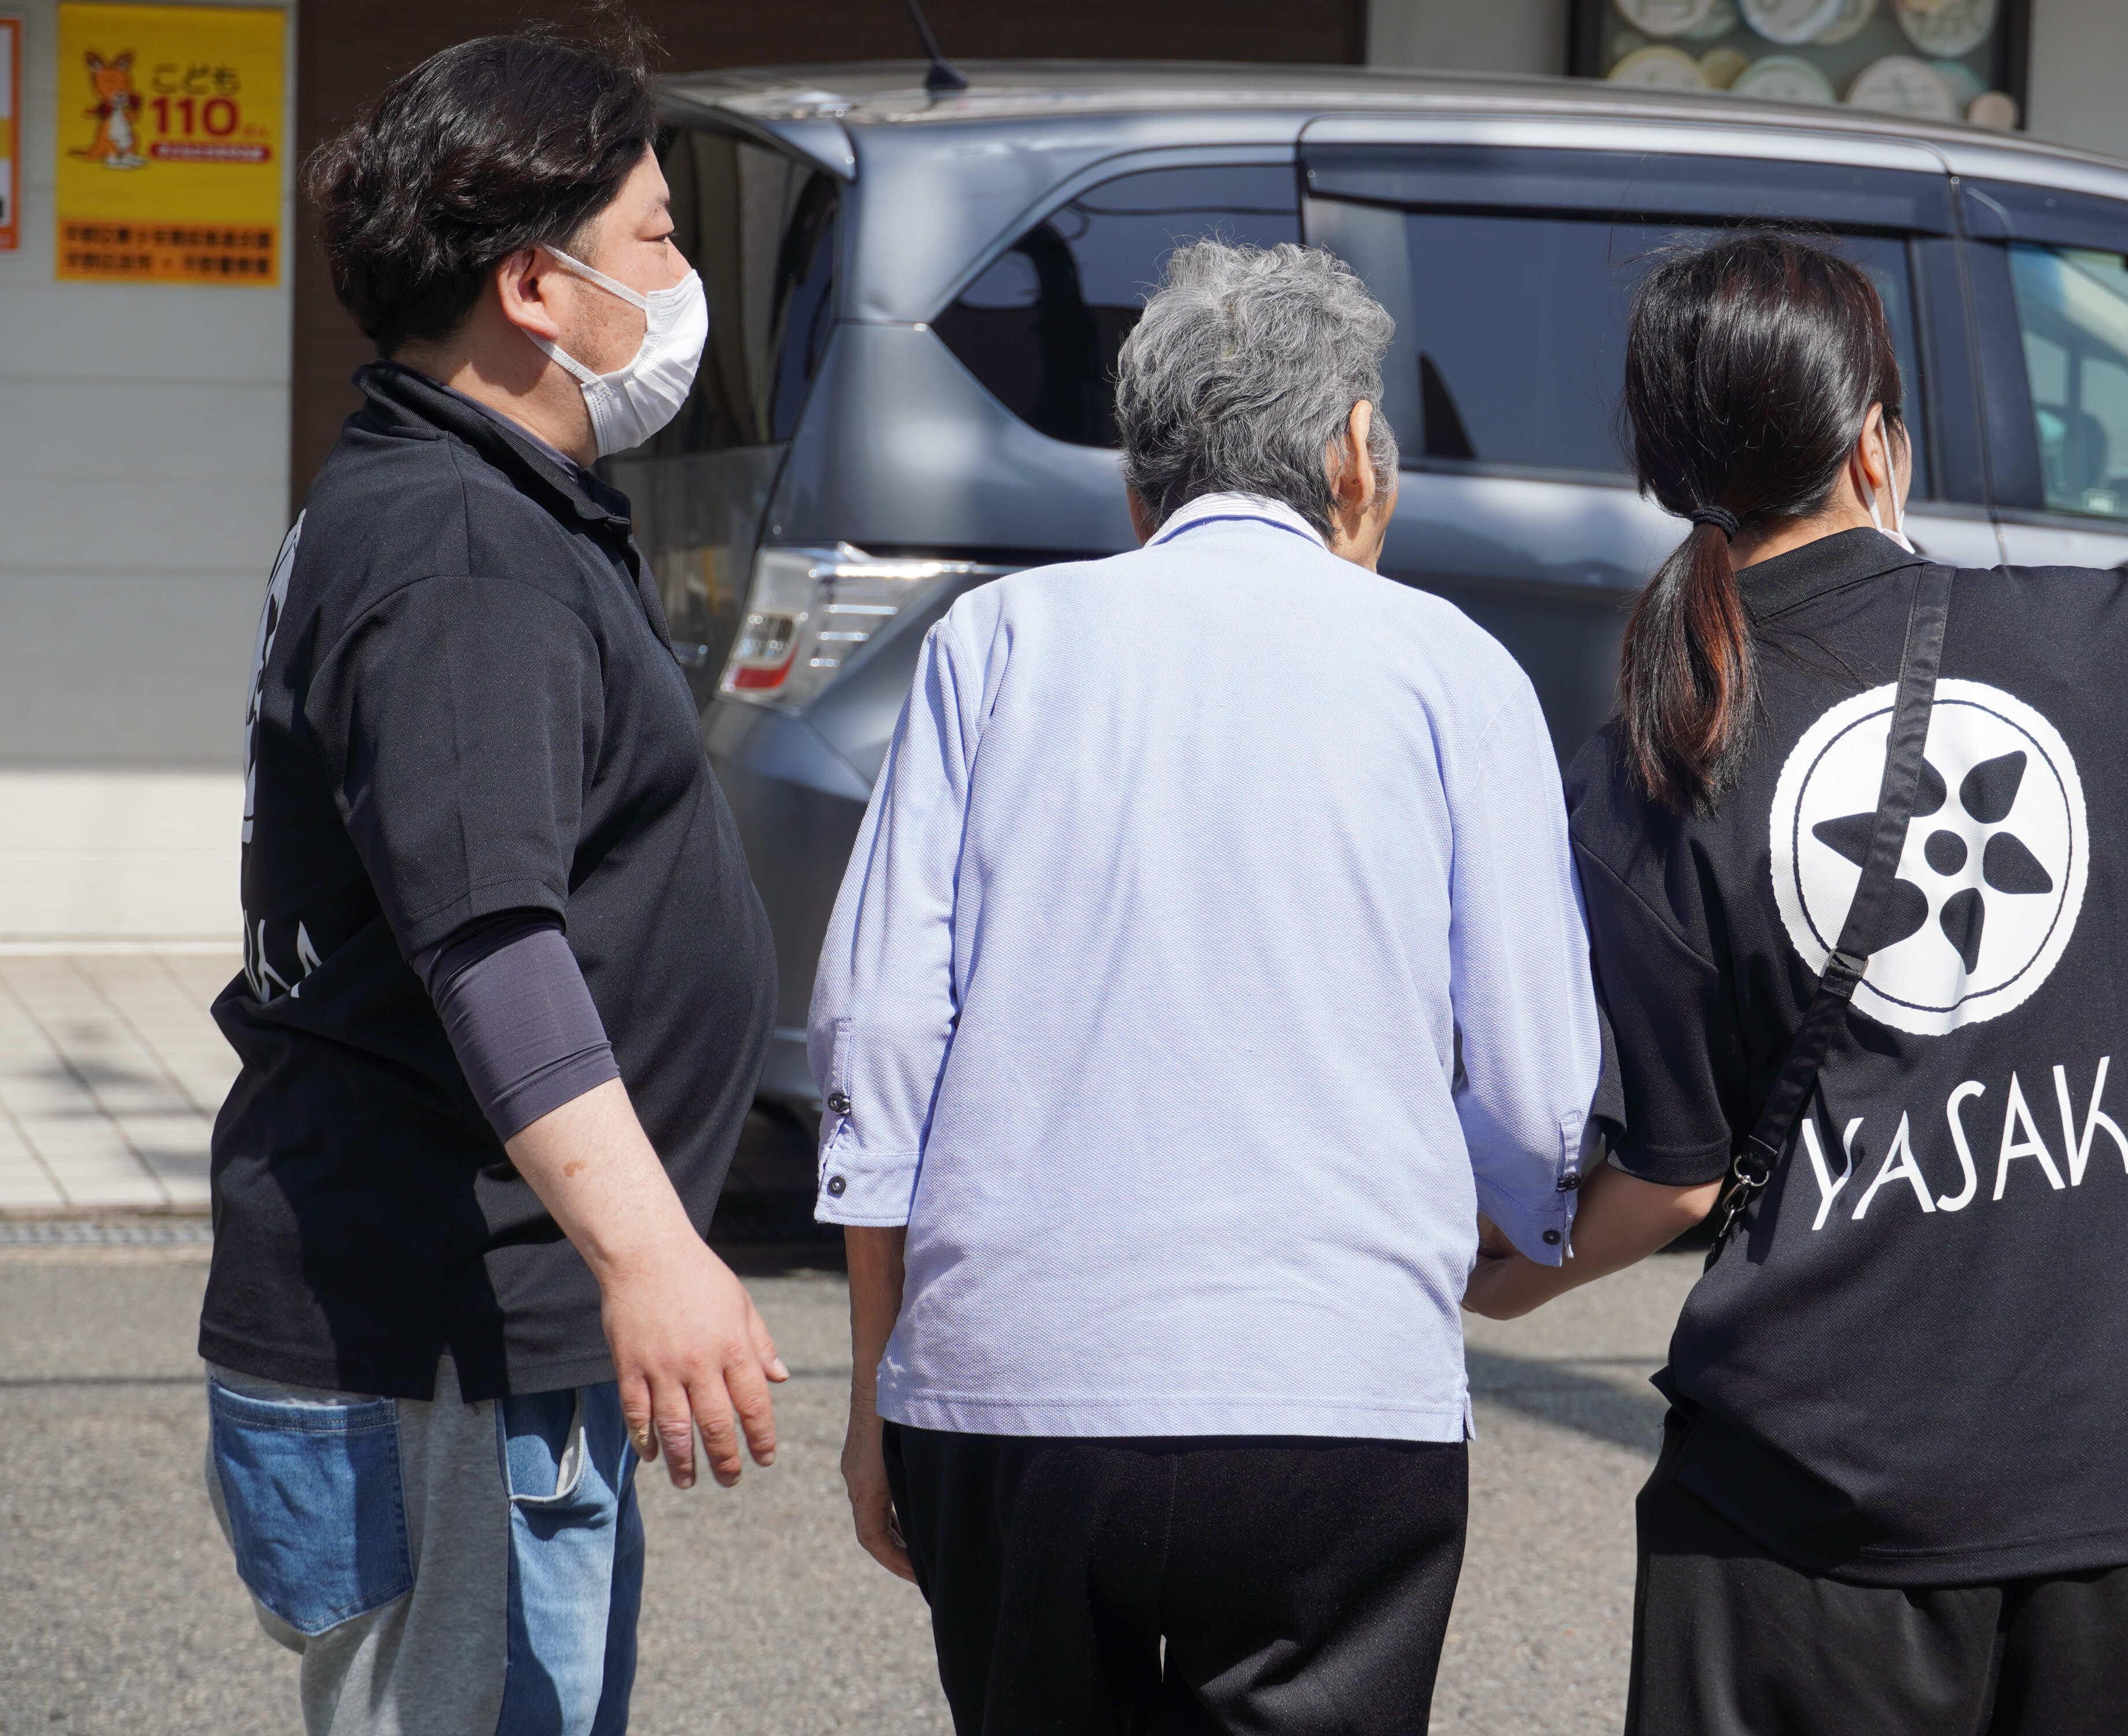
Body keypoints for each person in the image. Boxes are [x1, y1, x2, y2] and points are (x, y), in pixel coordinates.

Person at [1464, 229, 2128, 1736]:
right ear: (1876, 446)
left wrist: (1500, 1284)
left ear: (1664, 473)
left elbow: (1672, 1179)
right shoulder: (2101, 644)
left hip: (1804, 1509)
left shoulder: (1645, 768)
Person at [815, 239, 1601, 1733]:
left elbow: (882, 1029)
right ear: (1354, 453)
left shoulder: (996, 639)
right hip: (1335, 1392)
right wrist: (1514, 1230)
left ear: (1140, 486)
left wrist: (875, 1390)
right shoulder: (1450, 665)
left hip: (1011, 1390)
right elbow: (1535, 1083)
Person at [204, 26, 783, 1734]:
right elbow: (492, 941)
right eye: (658, 239)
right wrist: (653, 1253)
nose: (682, 283)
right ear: (535, 289)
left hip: (467, 1334)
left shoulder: (462, 505)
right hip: (441, 1345)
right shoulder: (462, 549)